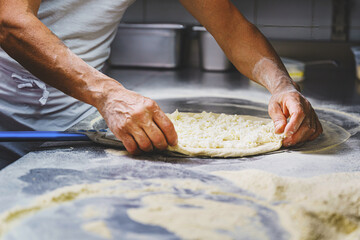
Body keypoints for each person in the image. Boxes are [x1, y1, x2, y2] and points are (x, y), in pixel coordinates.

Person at [0, 0, 322, 168]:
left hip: (83, 119)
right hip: (6, 116)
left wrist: (282, 86)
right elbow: (11, 21)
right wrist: (108, 94)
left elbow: (231, 26)